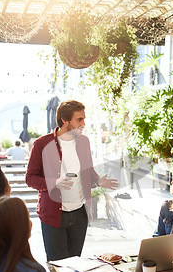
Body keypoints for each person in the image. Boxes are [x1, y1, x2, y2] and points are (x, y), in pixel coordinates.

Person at [26, 100, 119, 261]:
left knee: (75, 264)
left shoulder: (84, 142)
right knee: (57, 266)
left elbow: (87, 171)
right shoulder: (42, 144)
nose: (84, 123)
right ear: (64, 120)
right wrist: (55, 183)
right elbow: (30, 178)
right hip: (53, 214)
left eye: (84, 119)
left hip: (79, 215)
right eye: (79, 119)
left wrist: (98, 181)